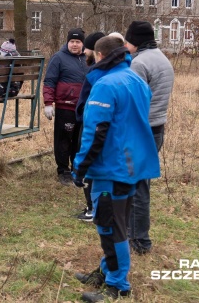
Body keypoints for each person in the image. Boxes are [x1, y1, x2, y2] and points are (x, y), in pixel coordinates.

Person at [71, 36, 160, 302]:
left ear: (99, 55)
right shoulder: (137, 80)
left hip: (112, 168)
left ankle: (117, 286)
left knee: (111, 228)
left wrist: (79, 167)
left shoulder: (105, 84)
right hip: (133, 165)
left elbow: (96, 130)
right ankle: (105, 269)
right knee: (116, 222)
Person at [124, 21, 175, 255]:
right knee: (140, 183)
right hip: (157, 128)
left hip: (141, 130)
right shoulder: (161, 57)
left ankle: (139, 240)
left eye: (127, 40)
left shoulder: (138, 63)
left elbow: (131, 101)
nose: (125, 45)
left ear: (135, 40)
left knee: (137, 186)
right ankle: (134, 234)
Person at [43, 28, 87, 186]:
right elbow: (49, 81)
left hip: (82, 108)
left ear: (83, 43)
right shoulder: (58, 58)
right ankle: (63, 170)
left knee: (78, 140)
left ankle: (76, 168)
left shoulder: (87, 58)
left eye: (78, 42)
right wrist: (48, 103)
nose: (74, 45)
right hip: (65, 107)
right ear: (67, 42)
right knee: (63, 139)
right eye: (72, 42)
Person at [73, 31, 105, 222]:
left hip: (91, 125)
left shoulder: (95, 73)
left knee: (89, 164)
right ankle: (94, 206)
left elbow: (89, 101)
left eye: (86, 47)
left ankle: (93, 208)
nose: (83, 51)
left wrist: (81, 114)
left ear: (95, 51)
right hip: (95, 124)